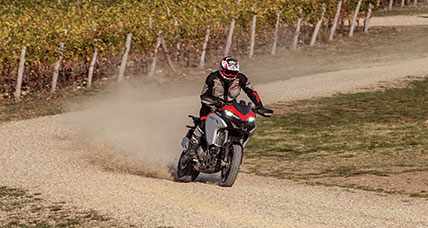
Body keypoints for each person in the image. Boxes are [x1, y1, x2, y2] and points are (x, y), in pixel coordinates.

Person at [187, 56, 273, 157]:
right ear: (222, 69)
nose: (230, 74)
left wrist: (259, 106)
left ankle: (231, 149)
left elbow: (251, 92)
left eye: (233, 72)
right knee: (203, 122)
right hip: (210, 106)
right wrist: (214, 101)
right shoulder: (213, 77)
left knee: (241, 122)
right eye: (228, 72)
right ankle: (191, 148)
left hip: (229, 106)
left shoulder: (241, 78)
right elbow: (204, 95)